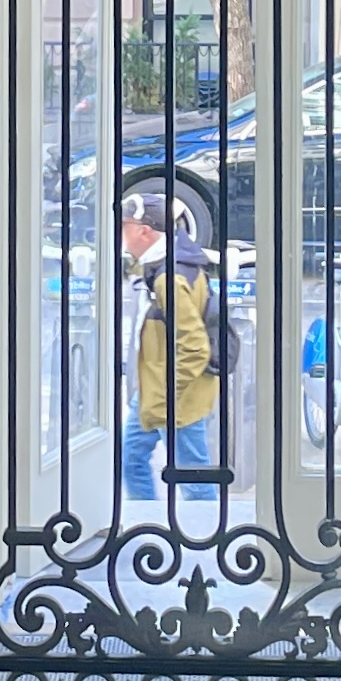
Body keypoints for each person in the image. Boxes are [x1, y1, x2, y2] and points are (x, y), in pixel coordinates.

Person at [119, 188, 220, 502]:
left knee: (193, 477)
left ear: (144, 232)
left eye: (124, 228)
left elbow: (195, 348)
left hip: (174, 398)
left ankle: (208, 544)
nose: (121, 236)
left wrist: (165, 395)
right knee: (131, 458)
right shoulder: (171, 260)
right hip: (156, 391)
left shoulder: (168, 279)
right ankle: (146, 523)